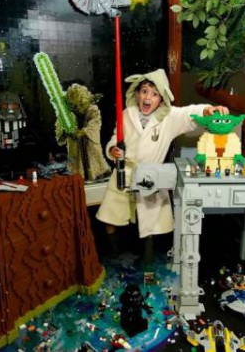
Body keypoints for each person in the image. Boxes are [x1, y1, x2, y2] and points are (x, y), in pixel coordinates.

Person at [96, 69, 229, 265]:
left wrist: (207, 110)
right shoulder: (126, 114)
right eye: (144, 91)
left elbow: (188, 113)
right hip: (125, 171)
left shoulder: (168, 118)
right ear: (137, 93)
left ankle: (148, 258)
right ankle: (114, 255)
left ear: (161, 99)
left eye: (154, 94)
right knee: (111, 215)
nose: (147, 97)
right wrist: (113, 148)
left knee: (149, 221)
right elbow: (116, 137)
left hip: (150, 175)